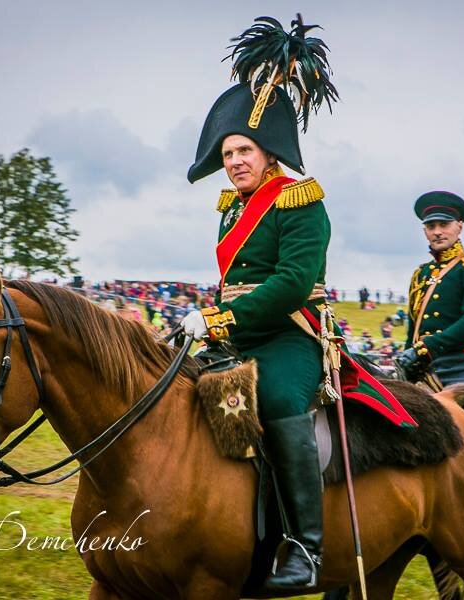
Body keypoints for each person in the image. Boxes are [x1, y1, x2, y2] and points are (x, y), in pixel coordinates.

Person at [179, 17, 339, 590]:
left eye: (244, 150)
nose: (235, 161)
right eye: (227, 153)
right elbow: (235, 282)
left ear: (269, 153)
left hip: (291, 337)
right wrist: (205, 324)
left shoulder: (302, 202)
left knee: (272, 399)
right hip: (239, 336)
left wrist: (220, 316)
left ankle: (304, 548)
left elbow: (292, 284)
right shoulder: (229, 208)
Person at [396, 191, 464, 388]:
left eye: (444, 225)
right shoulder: (421, 274)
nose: (437, 232)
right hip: (420, 366)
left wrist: (426, 347)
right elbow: (413, 330)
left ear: (459, 226)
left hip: (460, 364)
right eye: (431, 226)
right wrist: (408, 354)